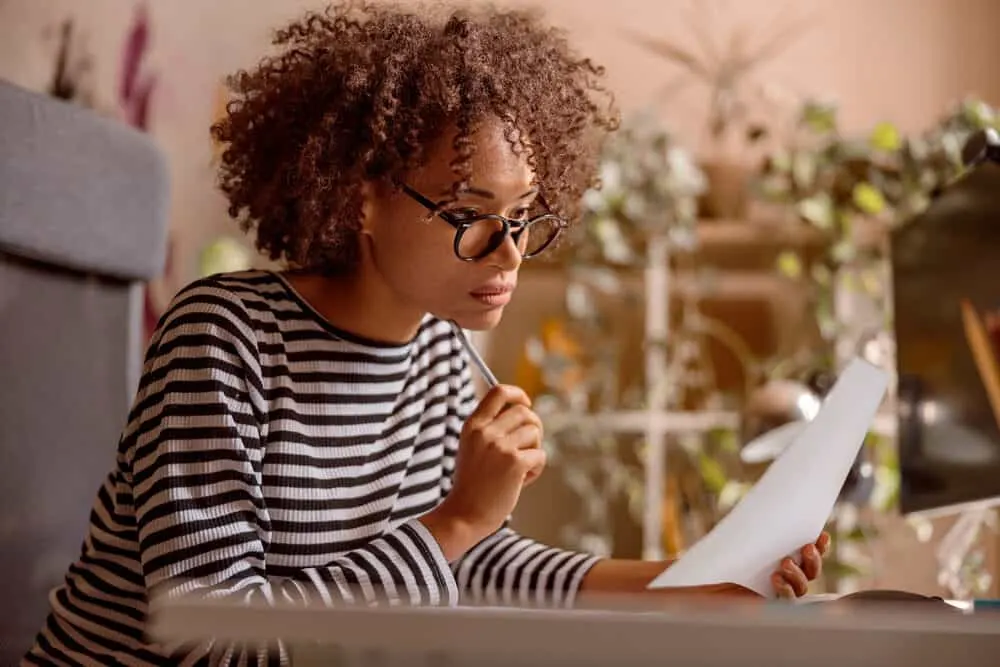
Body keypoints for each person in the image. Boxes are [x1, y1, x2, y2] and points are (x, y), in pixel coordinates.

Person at [23, 3, 828, 665]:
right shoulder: (224, 340)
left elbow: (481, 569)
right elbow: (214, 644)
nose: (508, 251)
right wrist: (456, 518)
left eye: (520, 218)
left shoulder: (443, 356)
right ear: (360, 195)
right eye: (469, 215)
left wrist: (698, 580)